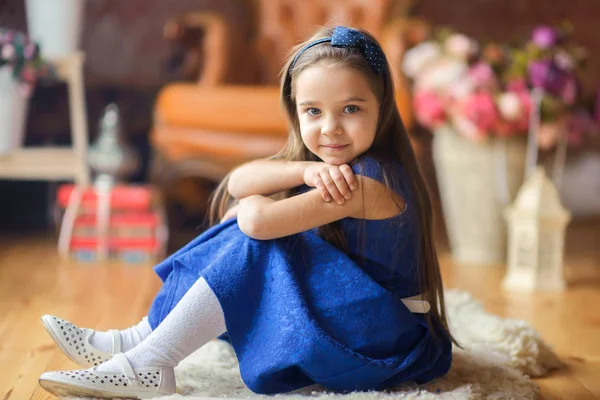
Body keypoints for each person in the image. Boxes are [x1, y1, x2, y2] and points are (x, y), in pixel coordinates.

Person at [38, 25, 456, 399]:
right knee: (247, 225)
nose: (330, 127)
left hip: (383, 339)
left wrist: (250, 207)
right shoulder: (329, 170)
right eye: (313, 111)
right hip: (363, 317)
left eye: (351, 109)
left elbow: (255, 219)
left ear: (382, 109)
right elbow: (237, 181)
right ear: (295, 111)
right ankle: (139, 341)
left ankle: (150, 357)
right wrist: (305, 168)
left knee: (256, 238)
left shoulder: (364, 181)